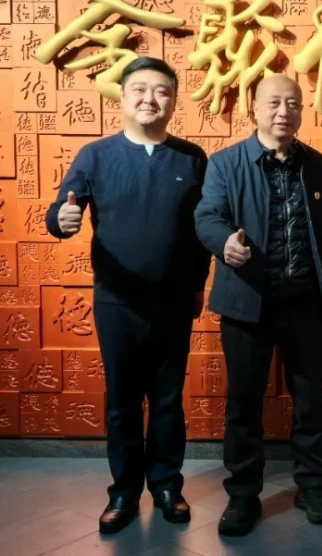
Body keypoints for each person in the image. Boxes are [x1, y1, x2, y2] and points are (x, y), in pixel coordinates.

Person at [45, 57, 210, 534]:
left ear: (173, 101)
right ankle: (123, 491)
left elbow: (203, 229)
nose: (149, 99)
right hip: (116, 301)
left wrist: (197, 286)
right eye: (139, 89)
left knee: (167, 399)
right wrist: (62, 220)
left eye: (161, 91)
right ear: (122, 95)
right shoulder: (95, 155)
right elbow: (61, 211)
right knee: (122, 401)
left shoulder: (192, 158)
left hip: (173, 301)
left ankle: (167, 486)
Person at [194, 74, 322, 536]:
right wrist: (225, 244)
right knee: (243, 402)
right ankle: (242, 494)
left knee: (310, 401)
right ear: (254, 108)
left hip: (305, 305)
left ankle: (312, 485)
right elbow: (207, 215)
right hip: (247, 304)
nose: (284, 111)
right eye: (274, 103)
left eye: (292, 103)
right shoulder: (225, 163)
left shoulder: (316, 165)